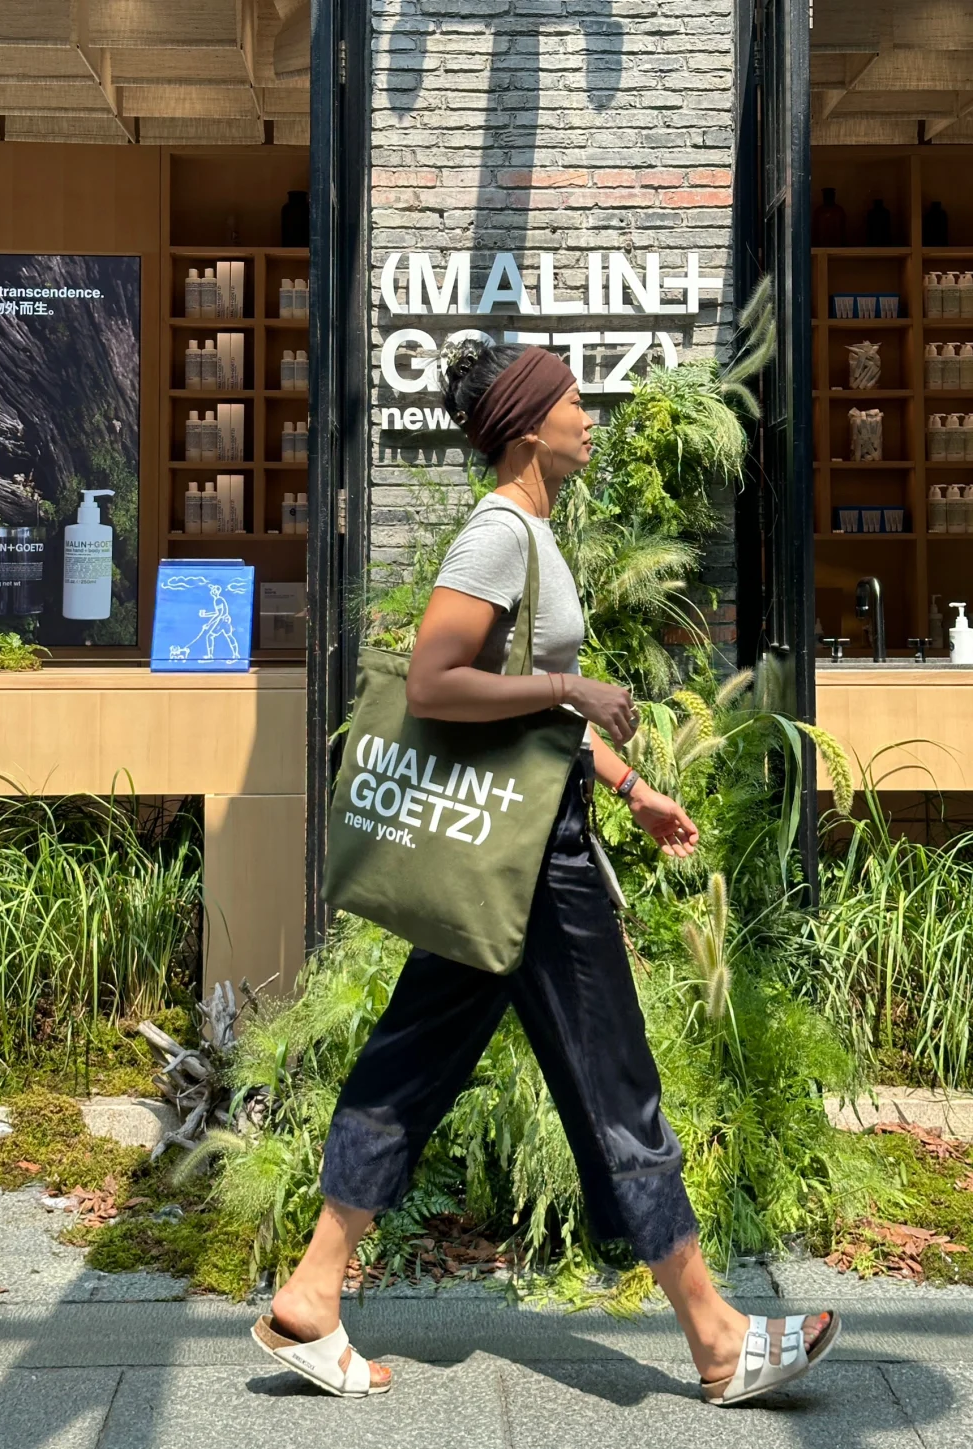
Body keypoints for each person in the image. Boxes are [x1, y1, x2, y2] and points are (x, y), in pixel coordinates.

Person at [253, 342, 839, 1405]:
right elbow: (437, 682)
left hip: (516, 855)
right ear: (530, 426)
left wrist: (626, 784)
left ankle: (310, 1294)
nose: (589, 415)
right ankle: (716, 1339)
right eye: (574, 400)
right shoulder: (498, 533)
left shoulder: (533, 534)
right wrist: (574, 684)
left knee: (410, 1063)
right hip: (527, 868)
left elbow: (535, 718)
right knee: (618, 1081)